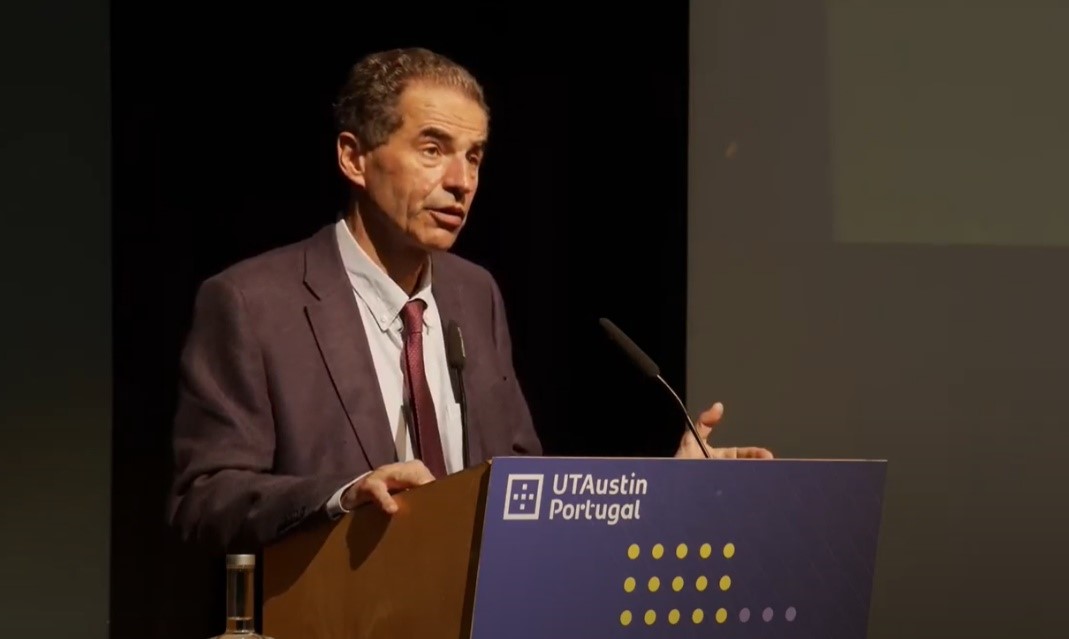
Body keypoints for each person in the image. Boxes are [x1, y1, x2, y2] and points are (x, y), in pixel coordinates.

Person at [167, 47, 772, 553]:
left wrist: (665, 487)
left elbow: (523, 489)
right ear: (354, 158)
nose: (461, 181)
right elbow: (202, 500)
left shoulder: (474, 291)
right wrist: (342, 495)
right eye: (433, 148)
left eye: (474, 155)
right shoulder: (252, 303)